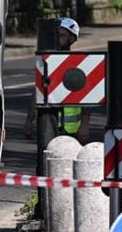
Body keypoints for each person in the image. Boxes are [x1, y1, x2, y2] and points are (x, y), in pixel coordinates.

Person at [23, 17, 91, 145]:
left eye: (61, 35)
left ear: (72, 39)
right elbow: (38, 93)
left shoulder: (77, 63)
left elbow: (86, 99)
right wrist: (29, 121)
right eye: (56, 34)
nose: (57, 39)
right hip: (48, 127)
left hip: (72, 131)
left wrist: (85, 125)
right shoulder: (46, 62)